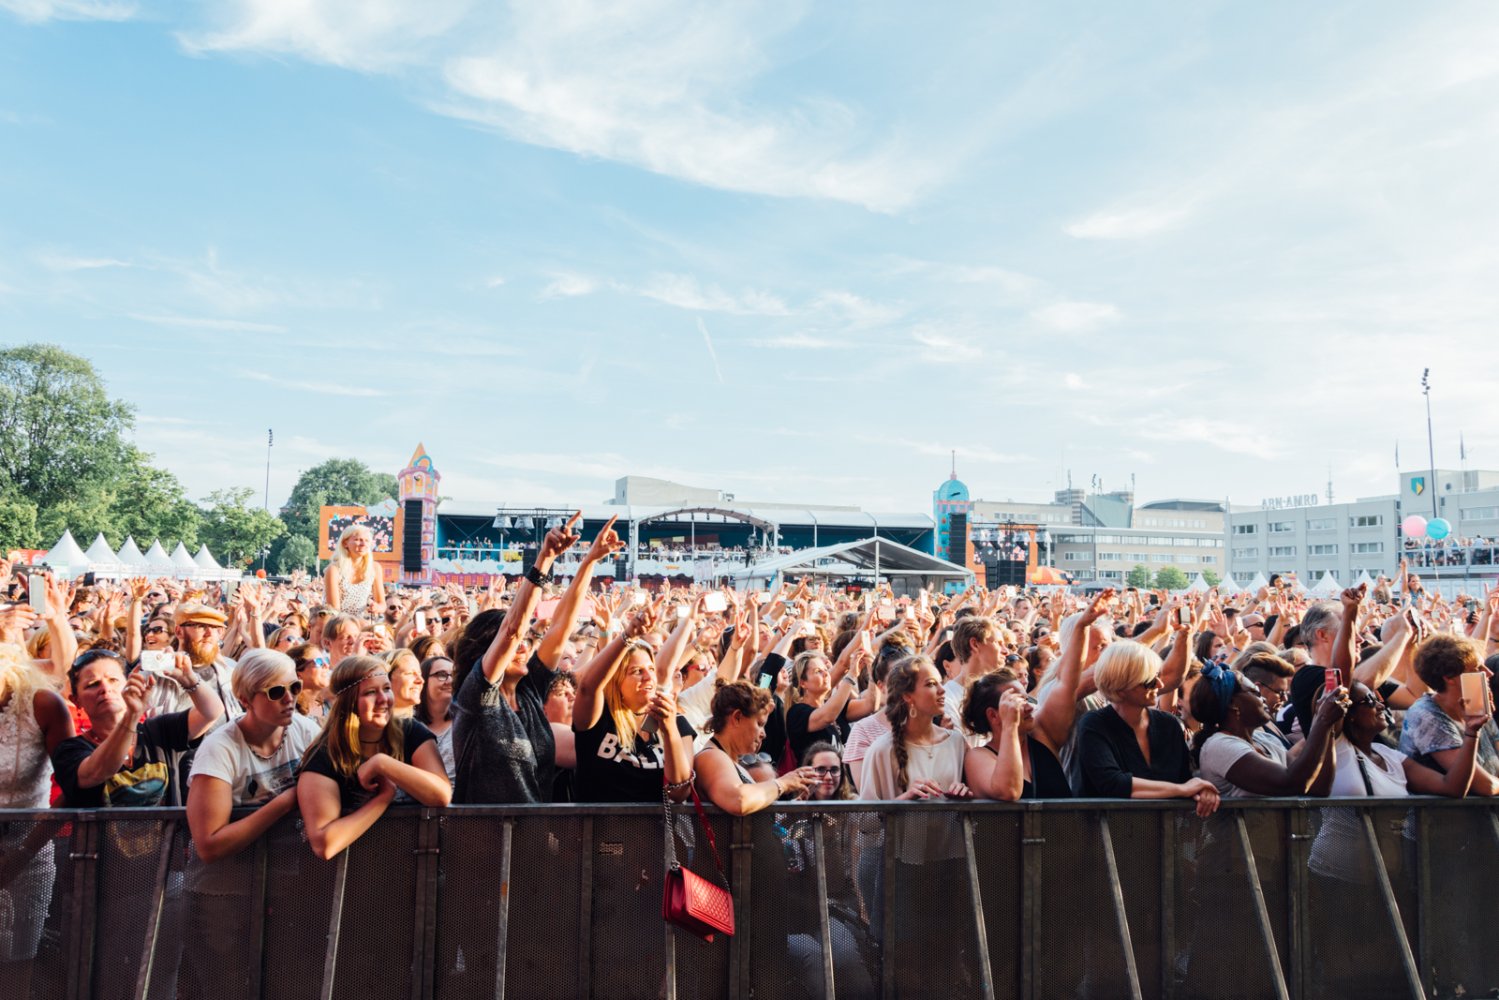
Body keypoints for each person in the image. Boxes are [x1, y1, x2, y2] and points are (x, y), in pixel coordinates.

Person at [181, 649, 322, 995]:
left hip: (287, 888)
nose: (289, 698)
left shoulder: (305, 731)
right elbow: (209, 843)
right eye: (276, 692)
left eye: (294, 686)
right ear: (245, 699)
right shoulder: (219, 748)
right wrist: (286, 801)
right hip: (222, 895)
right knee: (228, 989)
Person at [451, 512, 593, 804]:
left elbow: (561, 627)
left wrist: (590, 560)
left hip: (535, 830)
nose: (524, 647)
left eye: (528, 641)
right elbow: (512, 630)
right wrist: (545, 559)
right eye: (517, 644)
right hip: (485, 831)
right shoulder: (477, 697)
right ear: (485, 650)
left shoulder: (528, 692)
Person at [295, 655, 450, 860]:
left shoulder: (411, 732)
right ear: (349, 702)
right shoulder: (325, 755)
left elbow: (441, 795)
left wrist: (382, 763)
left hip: (413, 864)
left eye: (386, 689)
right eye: (370, 692)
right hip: (350, 871)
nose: (383, 699)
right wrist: (383, 797)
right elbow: (324, 844)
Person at [51, 648, 225, 807]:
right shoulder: (70, 750)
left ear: (128, 682)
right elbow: (96, 772)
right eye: (92, 684)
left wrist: (189, 679)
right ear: (76, 700)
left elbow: (211, 712)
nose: (105, 688)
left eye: (113, 680)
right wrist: (132, 715)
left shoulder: (158, 730)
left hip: (167, 834)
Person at [0, 643, 75, 997]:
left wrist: (22, 854)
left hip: (28, 846)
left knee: (18, 961)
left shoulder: (42, 703)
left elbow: (75, 784)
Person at [1072, 641, 1220, 816]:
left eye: (1158, 676)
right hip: (1106, 831)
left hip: (1164, 831)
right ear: (1121, 687)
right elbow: (1112, 783)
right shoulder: (1094, 724)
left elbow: (1185, 779)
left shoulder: (1169, 724)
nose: (1160, 684)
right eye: (1149, 681)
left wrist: (1201, 791)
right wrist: (1182, 789)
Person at [571, 630, 694, 802]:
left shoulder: (674, 720)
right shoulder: (598, 716)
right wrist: (628, 634)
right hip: (602, 820)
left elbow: (680, 793)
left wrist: (670, 730)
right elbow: (587, 688)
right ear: (616, 679)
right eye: (637, 671)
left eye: (651, 669)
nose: (649, 677)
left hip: (657, 820)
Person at [1190, 662, 1341, 798]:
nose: (1262, 698)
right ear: (1233, 704)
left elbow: (1318, 787)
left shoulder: (1265, 739)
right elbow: (1292, 782)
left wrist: (1329, 726)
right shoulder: (1220, 746)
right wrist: (1322, 720)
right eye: (1255, 692)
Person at [694, 680, 817, 814]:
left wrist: (792, 809)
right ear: (737, 717)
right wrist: (783, 783)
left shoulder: (724, 757)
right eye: (759, 724)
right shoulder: (711, 757)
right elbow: (739, 801)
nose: (763, 734)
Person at [1399, 633, 1499, 795]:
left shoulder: (1476, 704)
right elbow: (1484, 786)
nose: (1489, 673)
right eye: (1477, 668)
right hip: (1442, 812)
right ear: (1450, 678)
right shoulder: (1427, 716)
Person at [145, 603, 242, 721]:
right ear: (179, 632)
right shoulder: (156, 671)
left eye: (216, 628)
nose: (209, 634)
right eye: (201, 626)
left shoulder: (231, 671)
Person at [324, 524, 385, 617]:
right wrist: (353, 623)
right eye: (358, 540)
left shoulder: (375, 568)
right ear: (345, 543)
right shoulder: (334, 570)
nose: (363, 544)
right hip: (337, 620)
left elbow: (382, 605)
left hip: (361, 621)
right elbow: (334, 610)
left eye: (367, 540)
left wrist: (376, 607)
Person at [414, 655, 456, 781]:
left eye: (454, 675)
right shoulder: (410, 724)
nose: (450, 681)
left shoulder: (464, 721)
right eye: (441, 675)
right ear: (423, 680)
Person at [289, 643, 332, 719]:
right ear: (298, 673)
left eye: (326, 660)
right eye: (319, 662)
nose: (326, 665)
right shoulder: (289, 710)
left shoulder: (329, 707)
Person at [384, 647, 424, 719]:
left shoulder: (425, 723)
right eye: (409, 673)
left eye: (420, 674)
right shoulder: (364, 723)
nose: (421, 680)